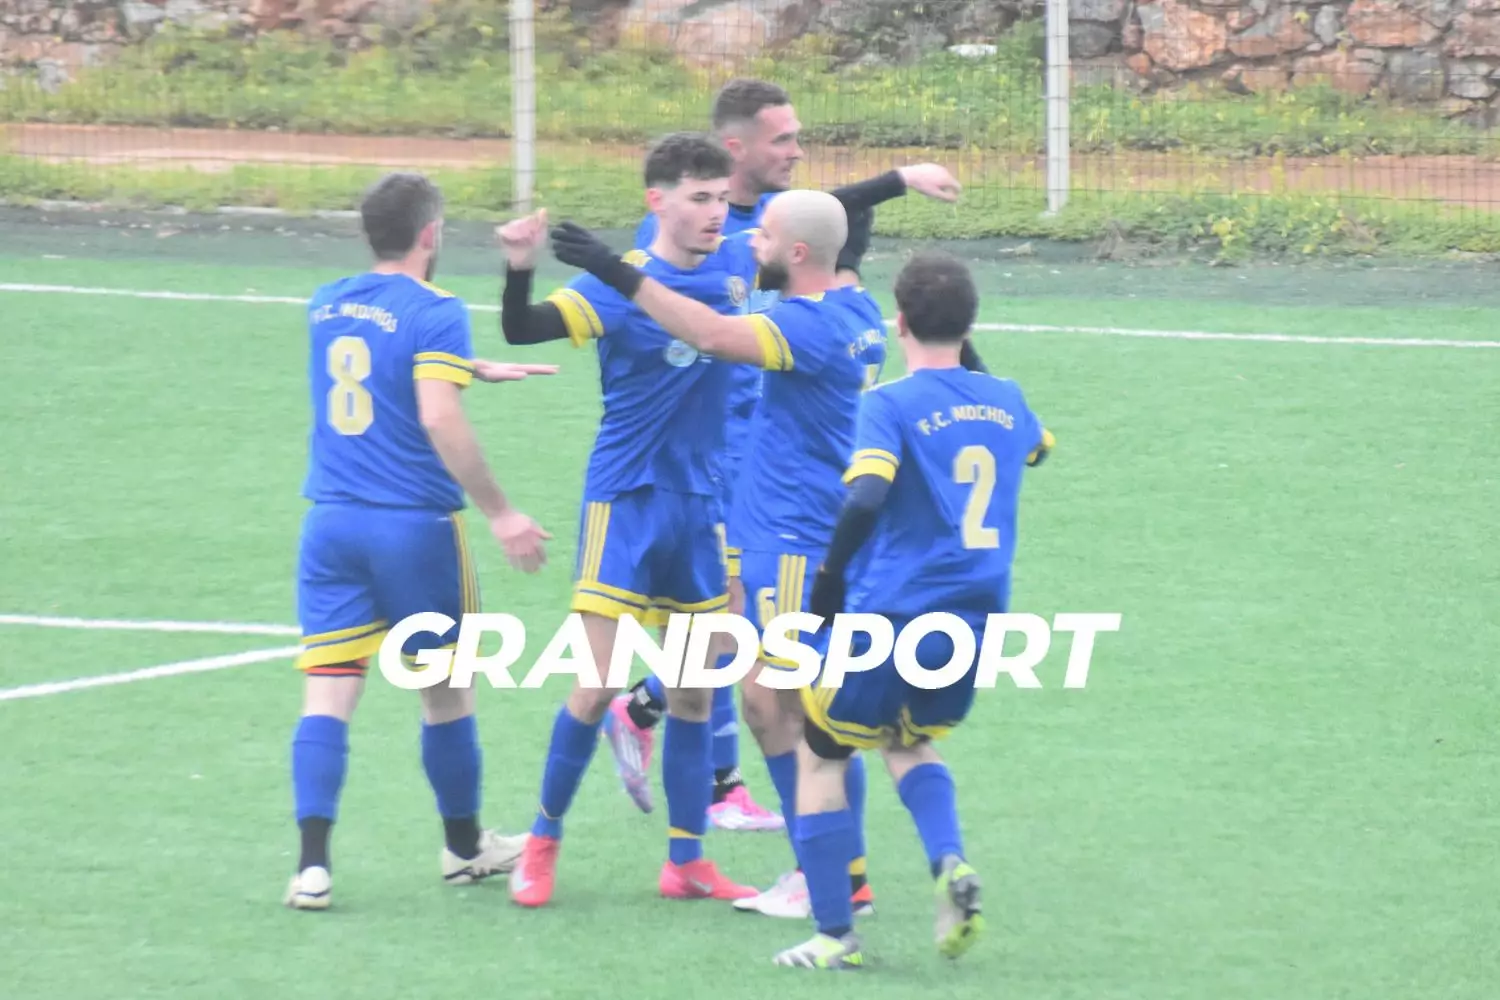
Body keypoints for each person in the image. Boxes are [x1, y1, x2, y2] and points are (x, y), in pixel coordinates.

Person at [606, 77, 969, 835]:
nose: (797, 152)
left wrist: (897, 182)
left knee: (741, 633)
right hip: (725, 463)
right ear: (735, 148)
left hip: (772, 466)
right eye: (783, 139)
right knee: (749, 642)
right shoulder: (710, 234)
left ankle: (656, 717)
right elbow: (693, 323)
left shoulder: (797, 259)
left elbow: (820, 223)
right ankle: (724, 784)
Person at [547, 188, 887, 922]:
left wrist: (616, 270)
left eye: (762, 236)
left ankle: (835, 878)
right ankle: (830, 870)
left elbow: (707, 333)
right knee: (771, 705)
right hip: (790, 535)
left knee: (795, 712)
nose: (748, 244)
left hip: (794, 540)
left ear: (797, 253)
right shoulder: (857, 309)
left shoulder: (802, 325)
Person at [494, 133, 764, 908]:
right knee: (596, 684)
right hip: (626, 500)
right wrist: (519, 265)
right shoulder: (617, 284)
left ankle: (686, 861)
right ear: (657, 201)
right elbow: (522, 329)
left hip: (700, 504)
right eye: (700, 198)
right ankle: (541, 844)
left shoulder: (738, 265)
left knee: (693, 695)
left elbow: (816, 228)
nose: (716, 213)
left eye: (722, 198)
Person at [770, 250, 1056, 969]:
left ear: (898, 322)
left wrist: (829, 576)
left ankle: (834, 936)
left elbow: (867, 493)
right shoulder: (1009, 400)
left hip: (893, 614)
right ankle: (949, 859)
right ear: (970, 324)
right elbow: (1038, 450)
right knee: (906, 740)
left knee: (820, 752)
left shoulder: (889, 404)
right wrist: (971, 368)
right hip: (974, 622)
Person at [285, 172, 555, 911]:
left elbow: (371, 366)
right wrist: (501, 512)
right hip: (414, 530)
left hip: (331, 525)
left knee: (328, 692)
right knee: (444, 691)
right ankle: (464, 849)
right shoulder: (437, 309)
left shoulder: (327, 302)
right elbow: (438, 416)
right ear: (431, 234)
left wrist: (468, 367)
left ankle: (312, 868)